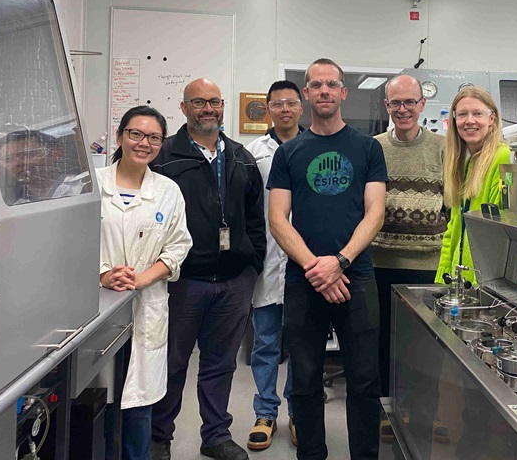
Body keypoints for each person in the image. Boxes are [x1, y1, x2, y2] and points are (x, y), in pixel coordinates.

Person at [268, 58, 387, 460]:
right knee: (303, 379)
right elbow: (277, 219)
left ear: (342, 92)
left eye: (330, 84)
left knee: (364, 379)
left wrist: (340, 260)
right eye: (315, 85)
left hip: (358, 276)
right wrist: (316, 267)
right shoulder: (289, 153)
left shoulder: (368, 147)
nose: (323, 91)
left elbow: (375, 213)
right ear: (306, 94)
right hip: (305, 280)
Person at [150, 78, 265, 460]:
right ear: (183, 108)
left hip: (234, 281)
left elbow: (254, 216)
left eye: (214, 102)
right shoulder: (162, 156)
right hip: (182, 282)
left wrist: (253, 262)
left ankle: (215, 436)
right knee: (172, 363)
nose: (208, 109)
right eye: (199, 102)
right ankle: (159, 437)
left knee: (220, 365)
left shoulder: (240, 156)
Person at [98, 105, 192, 460]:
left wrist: (140, 279)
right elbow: (71, 244)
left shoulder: (167, 191)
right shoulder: (93, 184)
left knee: (139, 401)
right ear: (120, 135)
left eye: (154, 137)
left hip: (147, 304)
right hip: (96, 307)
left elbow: (178, 245)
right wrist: (102, 274)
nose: (144, 143)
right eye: (135, 134)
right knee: (96, 397)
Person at [370, 74, 446, 437]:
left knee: (427, 348)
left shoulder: (444, 148)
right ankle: (386, 410)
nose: (403, 109)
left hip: (429, 266)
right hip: (380, 263)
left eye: (409, 102)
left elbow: (454, 202)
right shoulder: (374, 148)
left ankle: (426, 415)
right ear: (387, 107)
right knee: (384, 342)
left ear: (422, 105)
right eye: (395, 103)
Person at [244, 80, 305, 451]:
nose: (285, 109)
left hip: (305, 262)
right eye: (277, 104)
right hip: (266, 261)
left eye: (291, 103)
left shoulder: (315, 147)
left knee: (302, 343)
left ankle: (298, 410)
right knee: (265, 343)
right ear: (268, 108)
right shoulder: (253, 153)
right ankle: (266, 412)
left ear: (302, 107)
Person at [436, 86, 510, 283]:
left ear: (491, 119)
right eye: (462, 114)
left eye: (477, 113)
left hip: (486, 278)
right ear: (454, 120)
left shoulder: (504, 157)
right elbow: (454, 226)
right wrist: (443, 277)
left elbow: (501, 226)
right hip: (461, 277)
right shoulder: (464, 162)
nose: (469, 121)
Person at [0, 129, 89, 204]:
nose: (18, 163)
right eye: (9, 159)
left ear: (57, 154)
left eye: (29, 153)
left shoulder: (82, 188)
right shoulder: (15, 204)